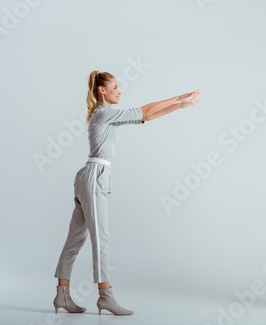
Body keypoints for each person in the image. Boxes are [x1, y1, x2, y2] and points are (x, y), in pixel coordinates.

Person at [53, 71, 201, 316]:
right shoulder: (104, 113)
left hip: (89, 175)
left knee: (75, 240)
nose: (119, 91)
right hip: (95, 175)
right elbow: (144, 110)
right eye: (115, 87)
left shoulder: (107, 116)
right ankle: (105, 297)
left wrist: (179, 106)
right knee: (101, 238)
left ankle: (62, 296)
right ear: (102, 90)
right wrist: (176, 97)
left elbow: (147, 116)